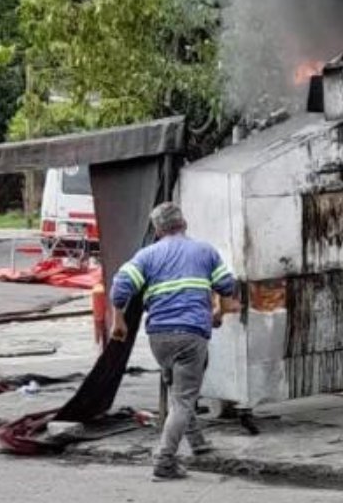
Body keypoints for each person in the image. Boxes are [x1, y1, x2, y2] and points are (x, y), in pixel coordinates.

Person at [110, 202, 237, 481]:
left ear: (157, 230)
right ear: (184, 223)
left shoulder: (148, 255)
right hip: (191, 334)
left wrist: (118, 319)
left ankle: (197, 442)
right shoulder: (204, 251)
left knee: (179, 389)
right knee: (183, 397)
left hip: (159, 338)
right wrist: (218, 310)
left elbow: (120, 285)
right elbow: (227, 285)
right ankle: (164, 461)